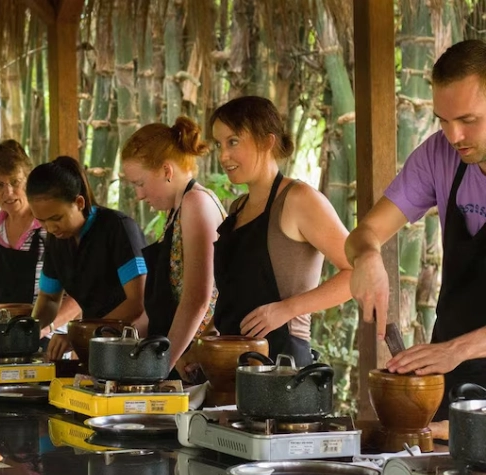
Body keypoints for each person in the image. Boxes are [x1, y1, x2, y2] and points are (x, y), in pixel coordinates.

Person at [346, 39, 486, 421]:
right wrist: (368, 255)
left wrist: (457, 349)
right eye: (443, 120)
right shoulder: (438, 155)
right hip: (451, 372)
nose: (454, 135)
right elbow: (364, 233)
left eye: (468, 120)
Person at [210, 95, 353, 367]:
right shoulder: (238, 207)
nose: (223, 155)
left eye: (233, 142)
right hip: (230, 360)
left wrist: (288, 309)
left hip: (282, 364)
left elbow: (357, 273)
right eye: (219, 144)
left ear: (267, 141)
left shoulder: (299, 199)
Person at [120, 117, 226, 377]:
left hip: (191, 360)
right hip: (172, 350)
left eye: (140, 183)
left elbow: (196, 300)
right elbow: (160, 307)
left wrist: (160, 368)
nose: (139, 195)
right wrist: (124, 340)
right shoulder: (174, 211)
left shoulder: (195, 203)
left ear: (167, 171)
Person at [0, 140, 80, 342]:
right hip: (0, 338)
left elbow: (78, 296)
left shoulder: (52, 228)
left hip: (48, 340)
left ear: (28, 179)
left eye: (15, 182)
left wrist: (44, 329)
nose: (8, 192)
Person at [27, 156, 147, 360]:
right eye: (42, 221)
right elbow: (48, 299)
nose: (50, 227)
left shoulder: (117, 228)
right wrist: (30, 335)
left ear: (79, 202)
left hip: (133, 346)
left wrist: (81, 335)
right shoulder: (57, 240)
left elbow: (137, 302)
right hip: (94, 347)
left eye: (56, 218)